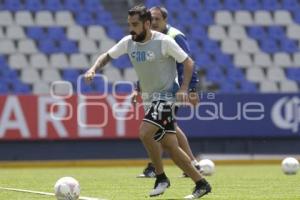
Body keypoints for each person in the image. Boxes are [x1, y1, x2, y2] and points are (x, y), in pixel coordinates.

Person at [85, 5, 211, 199]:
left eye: (135, 24)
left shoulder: (164, 42)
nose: (131, 28)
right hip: (149, 99)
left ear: (146, 24)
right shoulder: (129, 42)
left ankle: (160, 177)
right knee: (170, 145)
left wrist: (185, 88)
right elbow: (107, 56)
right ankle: (201, 184)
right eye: (129, 24)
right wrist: (93, 68)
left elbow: (188, 62)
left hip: (167, 96)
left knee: (145, 132)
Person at [134, 6, 202, 178]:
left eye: (158, 19)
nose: (154, 22)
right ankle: (193, 164)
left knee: (157, 126)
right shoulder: (150, 38)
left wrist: (191, 89)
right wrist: (138, 88)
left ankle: (154, 167)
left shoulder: (175, 36)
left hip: (172, 90)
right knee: (169, 127)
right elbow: (148, 68)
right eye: (152, 19)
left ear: (165, 20)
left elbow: (187, 62)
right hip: (157, 90)